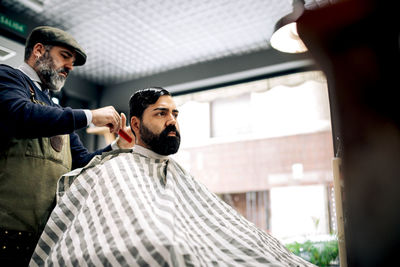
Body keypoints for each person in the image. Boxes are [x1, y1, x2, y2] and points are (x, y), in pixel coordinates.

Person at [30, 87, 315, 266]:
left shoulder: (178, 175)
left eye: (175, 114)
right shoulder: (115, 170)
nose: (172, 121)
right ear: (136, 124)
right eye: (161, 113)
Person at [0, 26, 134, 266]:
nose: (70, 67)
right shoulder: (7, 78)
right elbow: (20, 115)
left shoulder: (57, 111)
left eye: (72, 62)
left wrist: (116, 147)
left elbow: (82, 163)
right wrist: (90, 116)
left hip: (43, 242)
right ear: (39, 50)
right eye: (65, 56)